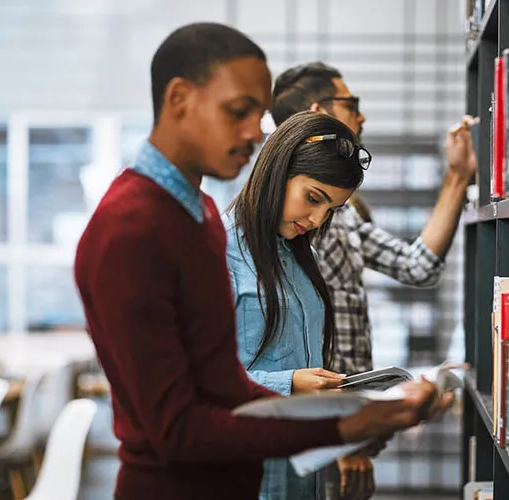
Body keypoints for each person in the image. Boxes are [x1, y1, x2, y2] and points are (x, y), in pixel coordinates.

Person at [74, 23, 452, 500]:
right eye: (239, 112)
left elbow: (224, 390)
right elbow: (179, 430)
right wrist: (344, 425)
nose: (256, 133)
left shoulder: (198, 214)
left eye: (258, 115)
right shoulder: (131, 229)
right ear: (179, 98)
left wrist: (353, 416)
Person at [271, 62, 478, 497]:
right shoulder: (289, 219)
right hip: (322, 438)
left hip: (349, 433)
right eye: (352, 105)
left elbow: (417, 266)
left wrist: (458, 176)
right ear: (318, 112)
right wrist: (337, 440)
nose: (362, 117)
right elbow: (287, 351)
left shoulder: (337, 214)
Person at [225, 110, 373, 500]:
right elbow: (198, 382)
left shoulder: (298, 257)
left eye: (331, 210)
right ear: (278, 170)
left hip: (301, 468)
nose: (317, 218)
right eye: (313, 198)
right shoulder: (218, 252)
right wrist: (289, 384)